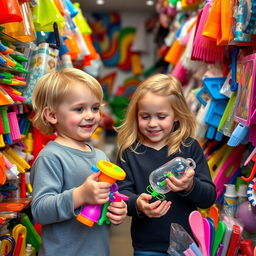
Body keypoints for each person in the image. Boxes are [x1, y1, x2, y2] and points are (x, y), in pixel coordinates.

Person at [116, 73, 216, 256]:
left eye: (161, 116)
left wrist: (190, 186)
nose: (152, 123)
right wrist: (137, 203)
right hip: (147, 246)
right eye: (145, 116)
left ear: (176, 115)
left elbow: (209, 197)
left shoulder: (189, 148)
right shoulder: (129, 152)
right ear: (136, 115)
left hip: (189, 246)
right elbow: (121, 193)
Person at [30, 68, 127, 256]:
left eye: (95, 108)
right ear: (52, 115)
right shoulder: (51, 157)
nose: (90, 115)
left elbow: (105, 201)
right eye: (79, 109)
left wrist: (116, 210)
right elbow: (40, 211)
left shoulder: (100, 157)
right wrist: (80, 195)